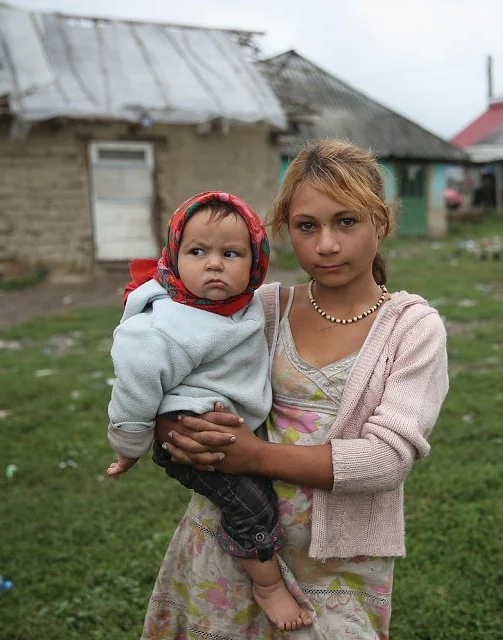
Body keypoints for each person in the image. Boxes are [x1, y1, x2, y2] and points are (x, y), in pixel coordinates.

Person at [139, 140, 449, 639]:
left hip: (338, 561)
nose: (326, 244)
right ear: (287, 231)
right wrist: (172, 424)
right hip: (231, 544)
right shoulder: (261, 309)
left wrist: (253, 456)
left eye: (346, 221)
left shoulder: (411, 329)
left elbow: (386, 460)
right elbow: (170, 366)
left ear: (382, 222)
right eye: (308, 226)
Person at [106, 191, 312, 632]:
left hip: (230, 424)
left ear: (256, 264)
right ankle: (268, 585)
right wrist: (131, 444)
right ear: (175, 256)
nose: (214, 264)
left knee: (258, 493)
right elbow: (135, 382)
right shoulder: (167, 323)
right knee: (252, 507)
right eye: (197, 252)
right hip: (189, 427)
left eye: (231, 253)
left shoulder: (243, 305)